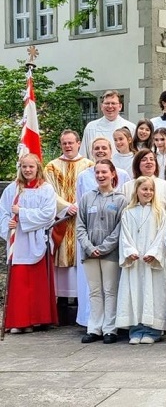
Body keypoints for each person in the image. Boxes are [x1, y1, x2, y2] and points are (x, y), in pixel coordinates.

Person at [74, 138, 132, 327]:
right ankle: (94, 327)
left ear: (112, 174)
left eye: (104, 172)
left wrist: (105, 247)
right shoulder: (87, 198)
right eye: (97, 172)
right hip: (90, 253)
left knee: (110, 290)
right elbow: (80, 225)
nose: (100, 175)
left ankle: (109, 328)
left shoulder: (121, 200)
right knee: (94, 291)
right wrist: (89, 247)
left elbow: (120, 227)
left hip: (110, 253)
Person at [0, 153, 58, 334]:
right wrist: (8, 224)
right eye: (24, 166)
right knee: (19, 283)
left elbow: (48, 214)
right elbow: (3, 212)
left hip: (37, 240)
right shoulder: (12, 189)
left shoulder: (46, 189)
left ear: (37, 167)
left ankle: (38, 320)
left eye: (31, 166)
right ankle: (19, 321)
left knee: (36, 284)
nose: (27, 170)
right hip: (18, 242)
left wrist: (22, 213)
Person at [115, 176, 166, 344]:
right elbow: (124, 235)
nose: (148, 192)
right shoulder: (128, 212)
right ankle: (136, 330)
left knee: (153, 294)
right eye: (144, 189)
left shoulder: (159, 212)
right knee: (135, 293)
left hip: (151, 262)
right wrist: (130, 252)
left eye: (151, 189)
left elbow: (162, 235)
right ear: (137, 191)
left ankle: (153, 331)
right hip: (135, 262)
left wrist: (153, 253)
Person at [44, 130, 94, 300]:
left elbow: (93, 190)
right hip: (61, 220)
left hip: (82, 218)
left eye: (71, 143)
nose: (67, 146)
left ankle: (80, 302)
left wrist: (78, 206)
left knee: (81, 257)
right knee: (62, 260)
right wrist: (66, 207)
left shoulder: (89, 165)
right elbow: (48, 191)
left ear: (78, 143)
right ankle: (63, 302)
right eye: (64, 143)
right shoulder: (51, 166)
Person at [80, 90, 136, 159]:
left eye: (113, 103)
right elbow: (83, 155)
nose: (110, 106)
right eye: (107, 103)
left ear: (120, 106)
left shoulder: (130, 128)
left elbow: (136, 154)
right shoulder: (91, 127)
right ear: (101, 106)